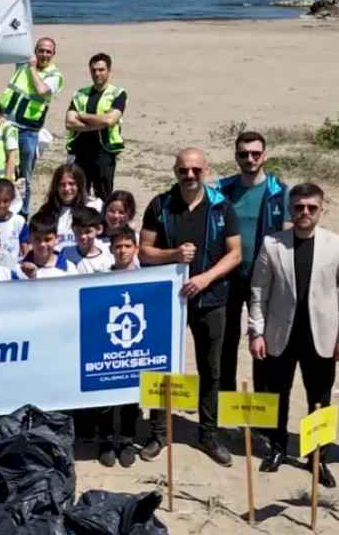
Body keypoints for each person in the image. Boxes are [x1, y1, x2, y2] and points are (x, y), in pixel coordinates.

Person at [248, 182, 339, 488]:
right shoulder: (273, 244)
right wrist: (256, 332)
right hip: (279, 334)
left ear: (322, 209)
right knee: (277, 395)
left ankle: (316, 456)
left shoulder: (338, 245)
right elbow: (258, 292)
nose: (305, 213)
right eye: (298, 207)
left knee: (319, 398)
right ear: (290, 209)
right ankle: (278, 449)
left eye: (311, 208)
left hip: (322, 336)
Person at [139, 148, 242, 467]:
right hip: (167, 299)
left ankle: (208, 434)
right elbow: (144, 251)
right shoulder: (160, 204)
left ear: (205, 170)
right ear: (175, 171)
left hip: (210, 299)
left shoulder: (221, 206)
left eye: (196, 170)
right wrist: (173, 255)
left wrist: (205, 278)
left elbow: (235, 253)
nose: (190, 176)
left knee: (211, 369)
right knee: (161, 367)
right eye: (184, 170)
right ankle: (158, 432)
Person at [218, 131, 289, 394]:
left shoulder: (279, 192)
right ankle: (225, 400)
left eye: (255, 154)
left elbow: (288, 235)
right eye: (244, 154)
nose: (250, 159)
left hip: (265, 279)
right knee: (225, 341)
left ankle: (262, 407)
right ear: (236, 156)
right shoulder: (222, 190)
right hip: (227, 275)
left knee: (264, 342)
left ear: (265, 155)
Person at [93, 226, 144, 467]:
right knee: (105, 394)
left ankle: (126, 440)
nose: (122, 251)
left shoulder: (147, 279)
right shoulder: (103, 276)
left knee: (131, 395)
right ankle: (105, 440)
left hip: (135, 347)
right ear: (111, 250)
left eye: (127, 246)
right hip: (108, 345)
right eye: (118, 247)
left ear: (135, 248)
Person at [0, 37, 65, 215]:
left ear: (53, 54)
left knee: (24, 176)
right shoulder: (23, 63)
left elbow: (41, 90)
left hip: (28, 131)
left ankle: (23, 213)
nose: (44, 54)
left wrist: (32, 68)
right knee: (3, 170)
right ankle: (2, 209)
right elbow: (10, 44)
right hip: (6, 125)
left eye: (48, 51)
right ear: (35, 51)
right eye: (41, 50)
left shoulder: (55, 76)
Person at [64, 53, 127, 201]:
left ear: (109, 71)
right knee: (78, 196)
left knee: (104, 196)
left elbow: (109, 120)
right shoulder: (80, 94)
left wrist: (82, 116)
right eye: (93, 70)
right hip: (80, 152)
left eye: (101, 70)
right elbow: (69, 123)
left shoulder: (118, 93)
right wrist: (98, 123)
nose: (97, 73)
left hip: (104, 152)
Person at [38, 164, 103, 249]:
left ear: (79, 185)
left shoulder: (95, 206)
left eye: (71, 184)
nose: (66, 189)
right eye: (62, 184)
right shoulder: (47, 210)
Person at [20, 210, 74, 279]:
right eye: (37, 239)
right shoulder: (19, 269)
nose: (42, 244)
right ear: (29, 238)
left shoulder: (69, 269)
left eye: (47, 239)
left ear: (57, 239)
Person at [59, 206, 114, 273]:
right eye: (78, 231)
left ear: (99, 229)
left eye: (88, 232)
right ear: (73, 229)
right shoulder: (66, 254)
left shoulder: (108, 256)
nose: (83, 236)